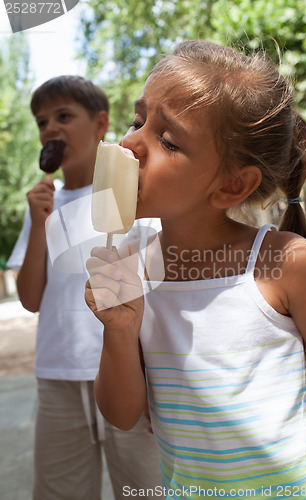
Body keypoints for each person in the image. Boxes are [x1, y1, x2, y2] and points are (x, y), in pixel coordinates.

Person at [85, 40, 306, 498]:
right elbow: (121, 415)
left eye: (167, 140)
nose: (129, 143)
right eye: (137, 120)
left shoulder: (286, 263)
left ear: (232, 185)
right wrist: (118, 330)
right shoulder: (132, 270)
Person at [7, 75, 161, 500]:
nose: (50, 129)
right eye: (41, 122)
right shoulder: (42, 205)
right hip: (58, 374)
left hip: (129, 374)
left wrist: (157, 373)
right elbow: (31, 298)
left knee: (144, 488)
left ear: (100, 124)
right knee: (60, 490)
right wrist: (40, 224)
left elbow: (157, 290)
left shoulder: (134, 194)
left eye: (63, 116)